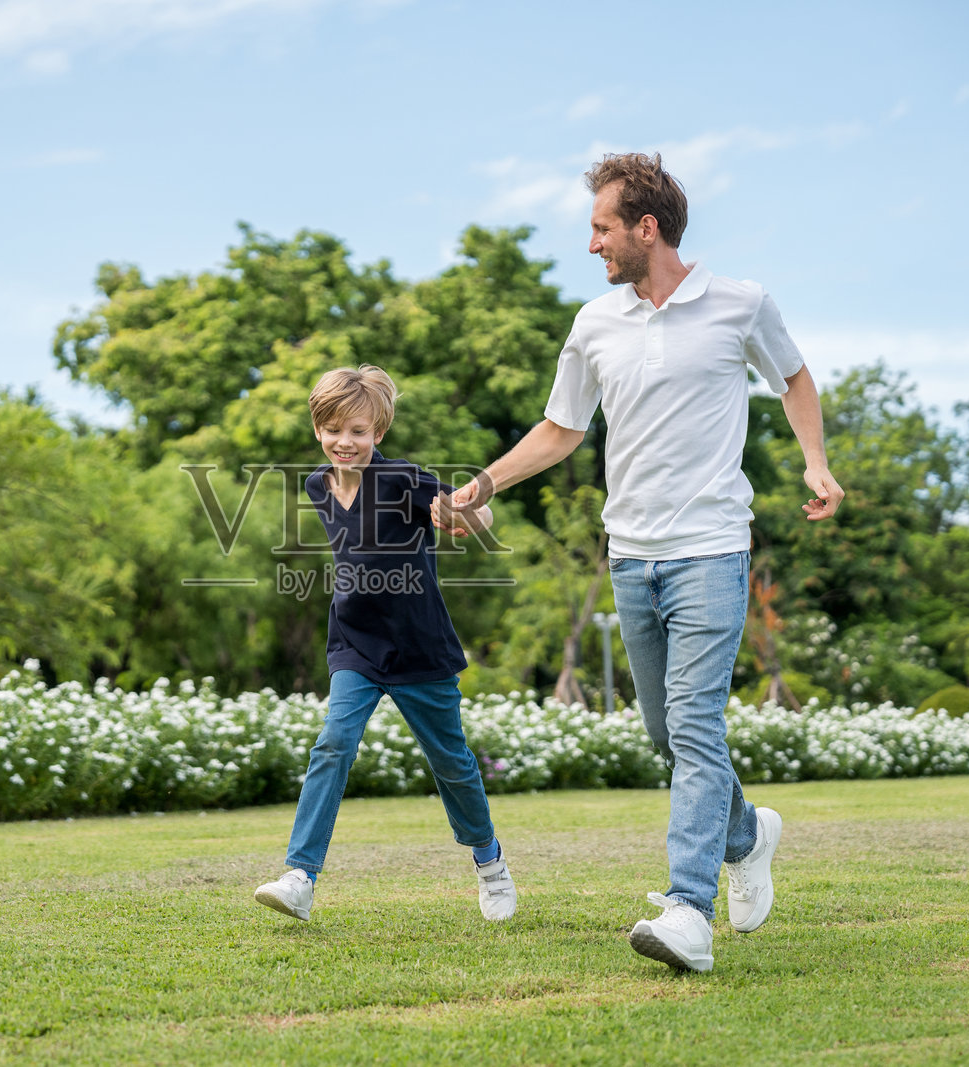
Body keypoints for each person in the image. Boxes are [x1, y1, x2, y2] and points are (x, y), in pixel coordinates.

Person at [434, 152, 844, 972]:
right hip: (632, 557)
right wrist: (483, 484)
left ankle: (687, 908)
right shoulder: (595, 324)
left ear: (645, 227)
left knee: (694, 726)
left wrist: (815, 460)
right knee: (668, 732)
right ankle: (748, 832)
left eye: (600, 228)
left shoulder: (739, 304)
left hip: (712, 550)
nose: (592, 245)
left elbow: (794, 376)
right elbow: (561, 430)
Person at [253, 365, 518, 924]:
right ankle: (300, 876)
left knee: (452, 763)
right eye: (333, 429)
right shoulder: (315, 486)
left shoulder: (402, 480)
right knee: (333, 744)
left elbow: (477, 511)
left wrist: (464, 512)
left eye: (358, 431)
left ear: (379, 433)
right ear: (318, 429)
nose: (344, 442)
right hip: (355, 645)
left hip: (421, 648)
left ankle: (489, 862)